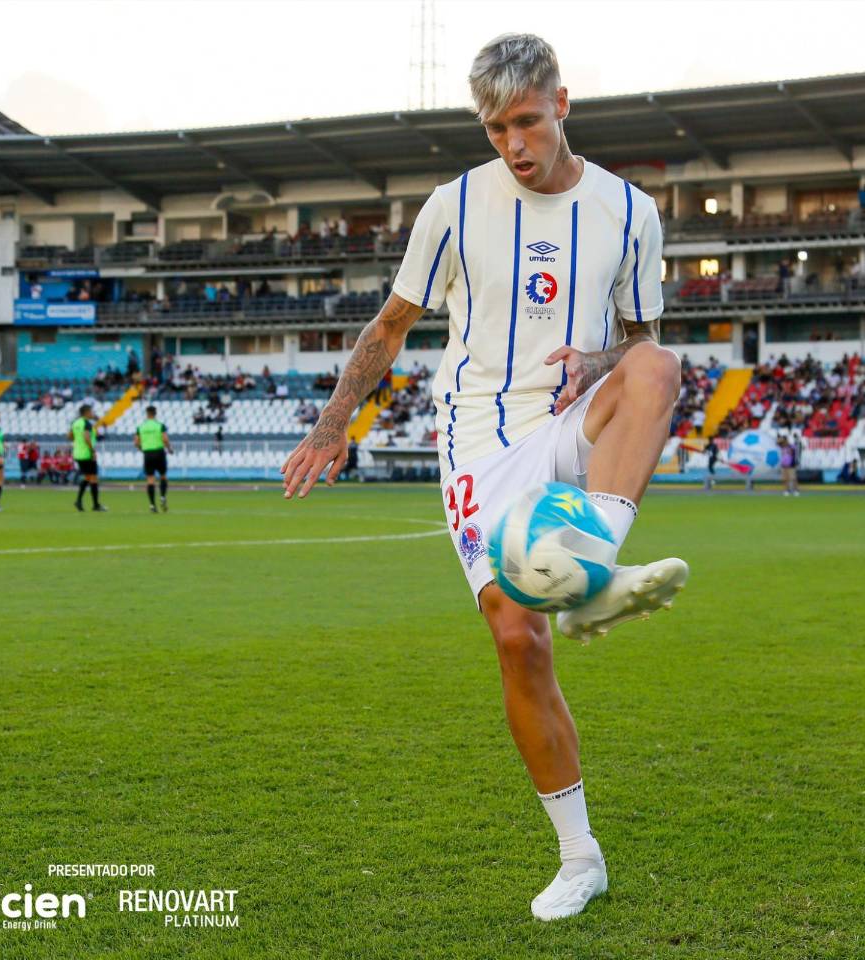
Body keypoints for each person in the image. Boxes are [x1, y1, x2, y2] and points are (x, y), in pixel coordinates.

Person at [279, 33, 686, 923]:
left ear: (563, 104)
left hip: (572, 412)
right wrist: (333, 420)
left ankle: (590, 575)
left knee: (660, 370)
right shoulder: (454, 204)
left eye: (528, 122)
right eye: (497, 127)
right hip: (478, 438)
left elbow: (640, 339)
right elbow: (392, 324)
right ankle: (581, 859)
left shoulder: (630, 211)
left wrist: (601, 358)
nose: (514, 145)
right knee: (517, 638)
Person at [134, 405, 173, 512]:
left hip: (148, 454)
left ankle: (152, 505)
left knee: (150, 479)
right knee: (163, 476)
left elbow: (136, 442)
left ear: (147, 414)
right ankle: (163, 497)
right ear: (155, 413)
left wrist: (142, 449)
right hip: (159, 452)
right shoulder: (160, 425)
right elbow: (165, 439)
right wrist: (169, 449)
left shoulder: (141, 427)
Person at [71, 404, 106, 511]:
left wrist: (78, 442)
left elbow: (69, 436)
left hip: (78, 453)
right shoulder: (87, 424)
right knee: (93, 478)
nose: (92, 414)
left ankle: (79, 501)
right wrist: (92, 451)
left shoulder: (76, 422)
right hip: (87, 454)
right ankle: (95, 505)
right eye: (91, 412)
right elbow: (86, 437)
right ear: (86, 412)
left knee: (88, 477)